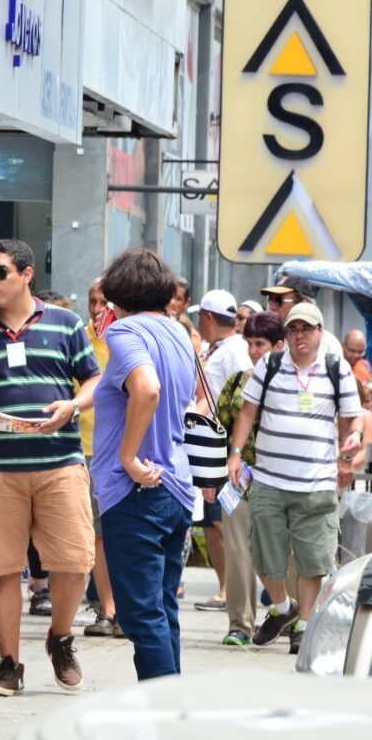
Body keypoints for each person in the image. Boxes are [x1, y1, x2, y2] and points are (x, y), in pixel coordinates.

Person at [0, 239, 100, 697]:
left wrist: (72, 404)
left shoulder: (67, 324)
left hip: (60, 463)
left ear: (27, 275)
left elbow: (92, 378)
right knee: (2, 569)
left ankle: (61, 637)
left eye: (0, 272)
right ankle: (9, 665)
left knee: (74, 562)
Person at [226, 302, 363, 655]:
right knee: (264, 555)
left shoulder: (337, 369)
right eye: (293, 329)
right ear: (286, 335)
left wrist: (352, 443)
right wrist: (236, 453)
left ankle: (303, 625)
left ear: (320, 332)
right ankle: (282, 606)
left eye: (307, 329)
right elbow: (247, 412)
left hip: (316, 482)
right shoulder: (271, 366)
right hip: (270, 480)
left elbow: (352, 418)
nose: (300, 335)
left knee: (312, 560)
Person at [90, 249, 198, 681]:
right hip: (176, 484)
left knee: (140, 616)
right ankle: (171, 709)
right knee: (162, 609)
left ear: (117, 293)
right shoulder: (178, 333)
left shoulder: (126, 332)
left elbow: (147, 389)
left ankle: (162, 715)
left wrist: (128, 457)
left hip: (137, 489)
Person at [212, 310, 285, 646]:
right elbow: (219, 431)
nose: (255, 351)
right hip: (239, 479)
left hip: (282, 480)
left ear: (279, 346)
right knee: (239, 552)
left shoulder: (292, 382)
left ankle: (294, 620)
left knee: (284, 554)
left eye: (261, 344)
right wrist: (214, 476)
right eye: (251, 343)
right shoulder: (236, 382)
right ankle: (240, 624)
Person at [190, 290, 252, 613]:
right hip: (209, 446)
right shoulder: (216, 351)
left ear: (209, 318)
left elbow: (239, 405)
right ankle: (225, 587)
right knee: (211, 522)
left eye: (200, 315)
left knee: (221, 522)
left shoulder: (236, 353)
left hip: (224, 449)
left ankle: (231, 590)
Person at [80, 277, 120, 638]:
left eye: (104, 302)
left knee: (122, 531)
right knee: (97, 535)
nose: (97, 310)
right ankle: (106, 609)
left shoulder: (128, 340)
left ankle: (126, 608)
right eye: (93, 301)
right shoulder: (81, 338)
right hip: (87, 447)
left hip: (125, 448)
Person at [261, 279, 342, 357]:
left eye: (279, 300)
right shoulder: (262, 340)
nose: (272, 307)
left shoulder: (327, 344)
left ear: (303, 304)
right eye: (270, 300)